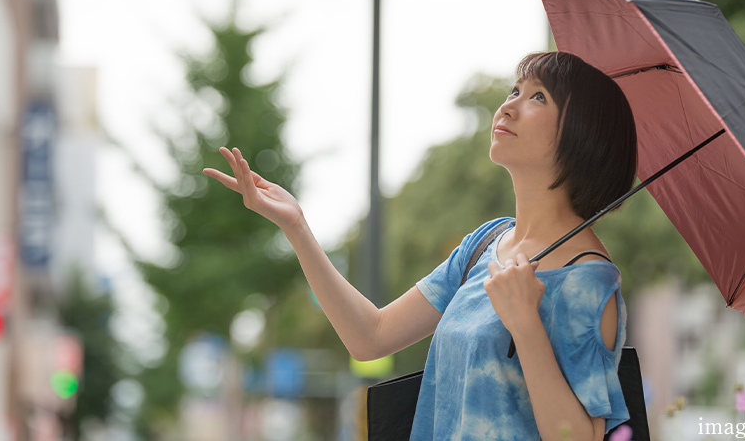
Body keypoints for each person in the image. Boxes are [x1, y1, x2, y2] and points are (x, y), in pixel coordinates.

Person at [203, 51, 638, 441]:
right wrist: (297, 226)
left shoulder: (588, 280)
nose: (508, 106)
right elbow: (370, 337)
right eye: (515, 90)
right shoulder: (484, 245)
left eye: (538, 97)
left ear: (582, 134)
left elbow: (579, 437)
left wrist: (526, 326)